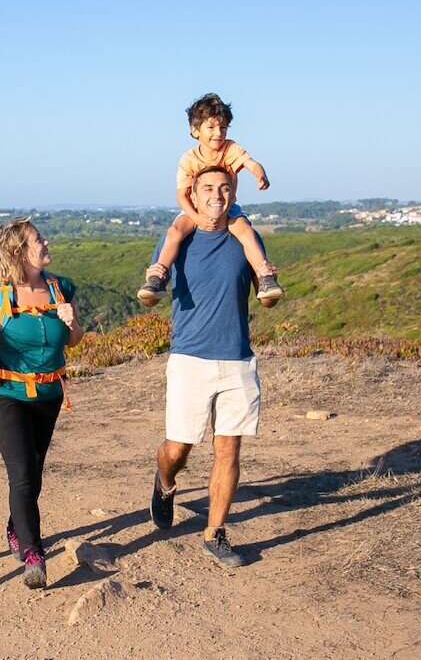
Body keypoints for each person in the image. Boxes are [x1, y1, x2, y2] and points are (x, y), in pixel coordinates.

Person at [146, 165, 280, 568]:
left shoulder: (246, 236)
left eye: (224, 187)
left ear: (233, 190)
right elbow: (153, 288)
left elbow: (267, 292)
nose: (216, 195)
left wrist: (269, 291)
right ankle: (165, 482)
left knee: (229, 448)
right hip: (189, 359)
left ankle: (215, 533)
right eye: (208, 188)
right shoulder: (179, 238)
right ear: (194, 192)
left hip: (238, 358)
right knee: (178, 448)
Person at [0, 218, 84, 589]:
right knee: (23, 473)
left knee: (34, 471)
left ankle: (16, 525)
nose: (46, 241)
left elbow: (73, 341)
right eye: (37, 238)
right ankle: (33, 554)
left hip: (49, 395)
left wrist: (72, 324)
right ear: (18, 252)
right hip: (6, 395)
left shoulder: (62, 288)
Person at [138, 92, 284, 304]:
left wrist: (260, 175)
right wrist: (196, 219)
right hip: (193, 209)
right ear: (195, 131)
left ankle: (265, 277)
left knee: (245, 232)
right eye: (211, 127)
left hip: (228, 207)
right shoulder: (189, 159)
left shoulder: (230, 148)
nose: (218, 133)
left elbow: (251, 163)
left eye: (223, 128)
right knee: (175, 231)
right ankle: (157, 278)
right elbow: (182, 196)